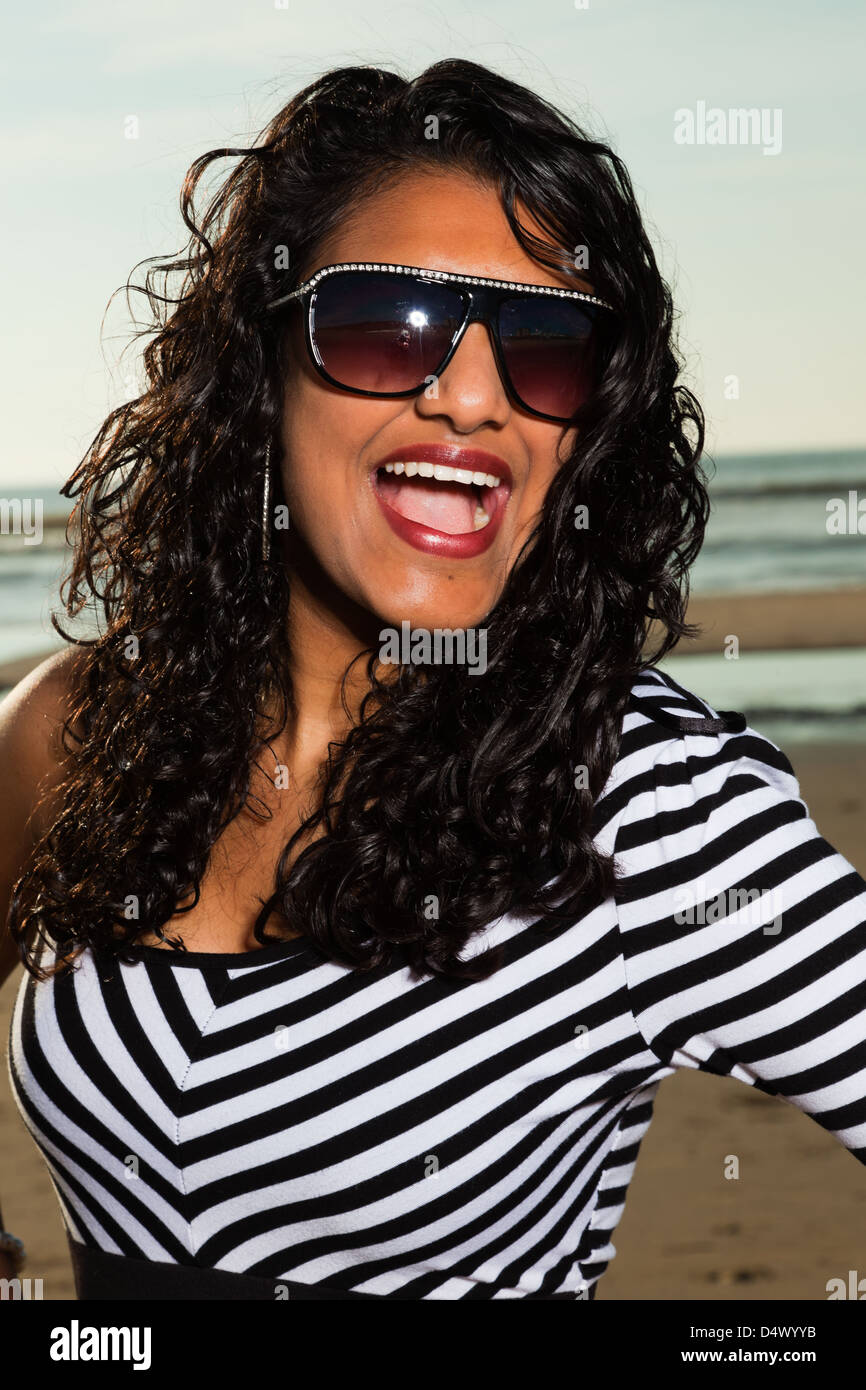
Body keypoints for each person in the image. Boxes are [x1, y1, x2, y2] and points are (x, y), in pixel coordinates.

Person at [1, 60, 863, 1301]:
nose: (470, 396)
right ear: (260, 367)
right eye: (384, 325)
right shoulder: (80, 728)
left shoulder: (650, 812)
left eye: (545, 348)